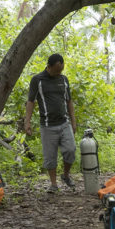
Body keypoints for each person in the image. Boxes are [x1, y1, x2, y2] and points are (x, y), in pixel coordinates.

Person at [24, 53, 77, 193]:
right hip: (47, 125)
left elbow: (69, 101)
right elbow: (31, 101)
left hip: (64, 123)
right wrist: (27, 122)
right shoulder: (37, 80)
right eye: (57, 70)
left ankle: (65, 175)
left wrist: (73, 120)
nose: (59, 72)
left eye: (61, 69)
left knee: (70, 150)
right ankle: (53, 184)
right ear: (49, 66)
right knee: (50, 157)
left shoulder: (64, 80)